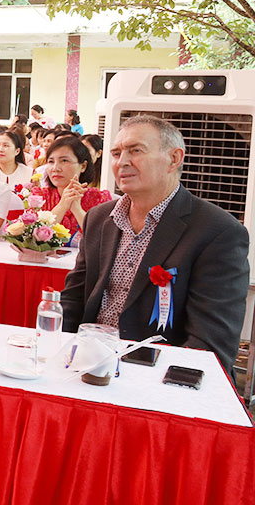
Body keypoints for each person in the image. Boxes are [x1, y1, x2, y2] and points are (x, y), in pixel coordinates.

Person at [61, 116, 249, 373]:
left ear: (174, 159)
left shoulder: (218, 231)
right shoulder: (100, 217)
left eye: (136, 150)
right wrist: (61, 353)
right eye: (116, 153)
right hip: (89, 365)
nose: (122, 162)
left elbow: (209, 341)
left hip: (158, 373)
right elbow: (73, 299)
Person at [35, 135, 113, 240]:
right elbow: (32, 237)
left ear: (83, 166)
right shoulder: (39, 197)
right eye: (51, 162)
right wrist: (62, 205)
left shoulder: (99, 198)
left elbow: (103, 239)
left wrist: (77, 209)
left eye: (64, 161)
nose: (55, 168)